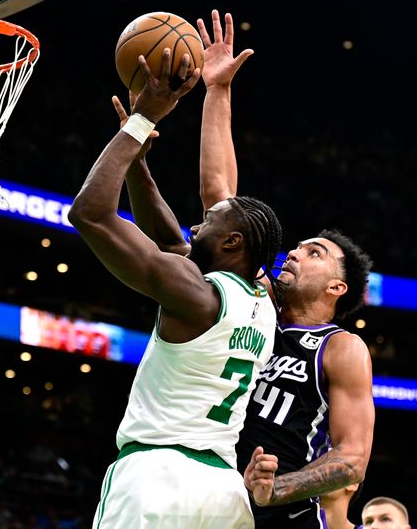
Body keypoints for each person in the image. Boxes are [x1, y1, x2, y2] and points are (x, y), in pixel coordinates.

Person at [116, 9, 375, 528]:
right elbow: (221, 199)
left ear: (337, 286)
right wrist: (217, 91)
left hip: (286, 513)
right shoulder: (255, 303)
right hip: (213, 497)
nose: (296, 253)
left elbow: (353, 459)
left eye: (315, 253)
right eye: (298, 246)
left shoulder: (341, 348)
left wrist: (276, 490)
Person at [69, 45, 284, 528]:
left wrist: (140, 121)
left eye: (206, 221)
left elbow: (89, 214)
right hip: (223, 491)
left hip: (157, 476)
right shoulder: (261, 299)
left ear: (231, 242)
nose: (194, 225)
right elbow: (168, 237)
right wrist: (138, 165)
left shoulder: (195, 293)